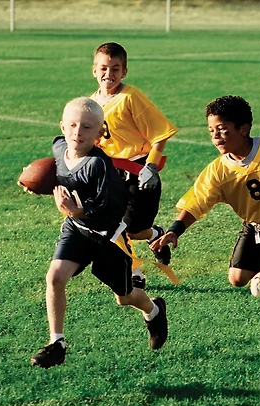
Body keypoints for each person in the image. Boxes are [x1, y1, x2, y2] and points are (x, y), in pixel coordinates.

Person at [150, 95, 260, 344]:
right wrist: (175, 230)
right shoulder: (218, 170)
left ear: (243, 129)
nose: (215, 136)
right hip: (256, 226)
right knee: (237, 279)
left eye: (222, 130)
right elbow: (197, 201)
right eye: (211, 131)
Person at [30, 97, 168, 369]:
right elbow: (56, 174)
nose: (77, 133)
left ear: (100, 132)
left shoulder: (100, 165)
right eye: (72, 125)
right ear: (62, 126)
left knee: (125, 297)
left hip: (109, 237)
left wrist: (78, 211)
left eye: (86, 127)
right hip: (77, 230)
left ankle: (154, 311)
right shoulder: (59, 148)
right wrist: (36, 184)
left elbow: (112, 210)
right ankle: (56, 343)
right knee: (55, 277)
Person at [91, 42, 179, 288]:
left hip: (138, 170)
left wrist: (150, 166)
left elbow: (160, 133)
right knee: (114, 227)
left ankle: (155, 234)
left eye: (115, 68)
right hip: (110, 172)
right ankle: (135, 273)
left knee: (133, 230)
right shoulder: (91, 103)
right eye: (104, 68)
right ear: (94, 70)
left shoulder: (131, 97)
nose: (109, 74)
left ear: (124, 72)